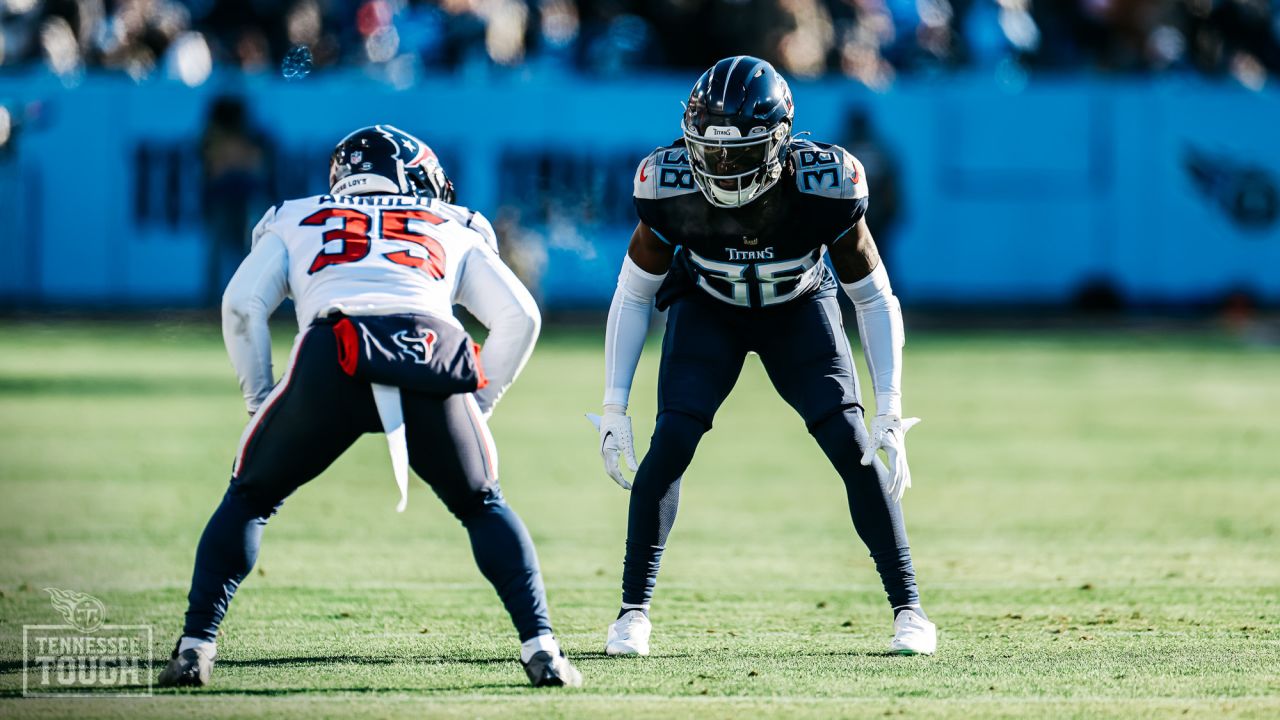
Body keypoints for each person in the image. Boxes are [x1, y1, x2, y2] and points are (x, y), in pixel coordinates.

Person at [159, 125, 582, 689]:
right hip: (431, 350)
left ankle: (195, 649)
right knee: (482, 504)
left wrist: (261, 400)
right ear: (412, 180)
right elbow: (520, 317)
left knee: (251, 498)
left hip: (332, 353)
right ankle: (543, 650)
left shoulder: (296, 216)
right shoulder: (452, 225)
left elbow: (240, 305)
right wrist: (478, 403)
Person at [589, 56, 935, 657]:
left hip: (798, 309)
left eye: (739, 151)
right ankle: (632, 613)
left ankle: (910, 610)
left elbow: (873, 298)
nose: (721, 165)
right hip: (708, 308)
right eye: (710, 149)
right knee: (670, 442)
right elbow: (634, 291)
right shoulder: (667, 184)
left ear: (779, 142)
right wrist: (614, 404)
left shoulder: (825, 185)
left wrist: (891, 409)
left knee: (853, 446)